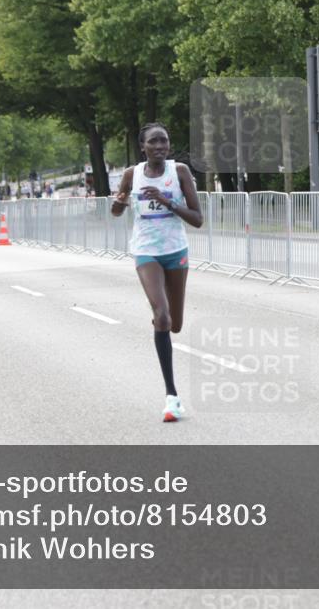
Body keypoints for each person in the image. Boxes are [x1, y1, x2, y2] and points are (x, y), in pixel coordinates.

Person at [112, 123, 203, 422]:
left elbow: (197, 219)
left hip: (175, 251)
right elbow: (116, 210)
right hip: (146, 250)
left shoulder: (179, 173)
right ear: (143, 147)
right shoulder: (131, 175)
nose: (160, 146)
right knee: (162, 316)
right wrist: (119, 202)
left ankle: (163, 321)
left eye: (164, 140)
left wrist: (168, 201)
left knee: (175, 324)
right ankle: (172, 397)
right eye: (154, 141)